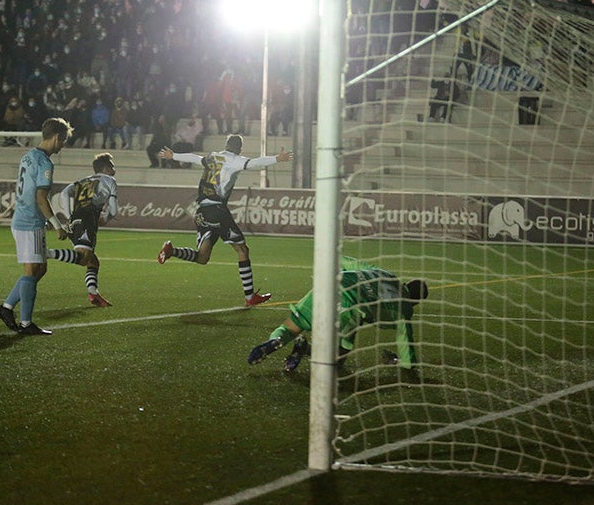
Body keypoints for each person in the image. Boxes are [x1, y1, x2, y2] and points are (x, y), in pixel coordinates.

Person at [156, 134, 293, 307]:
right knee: (242, 250)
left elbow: (194, 158)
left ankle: (171, 251)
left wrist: (173, 155)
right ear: (239, 148)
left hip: (202, 211)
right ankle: (250, 297)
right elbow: (254, 163)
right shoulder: (235, 160)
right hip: (217, 210)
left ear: (226, 144)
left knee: (202, 257)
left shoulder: (212, 156)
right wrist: (277, 159)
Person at [247, 256, 428, 376]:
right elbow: (405, 340)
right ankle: (307, 349)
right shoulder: (405, 309)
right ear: (415, 301)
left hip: (331, 284)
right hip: (351, 306)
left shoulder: (385, 274)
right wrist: (408, 365)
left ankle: (273, 341)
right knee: (337, 360)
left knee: (289, 328)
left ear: (406, 283)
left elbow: (347, 261)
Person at [0, 117, 73, 336]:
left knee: (40, 268)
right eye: (64, 139)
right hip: (30, 222)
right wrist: (57, 225)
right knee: (32, 270)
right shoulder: (45, 162)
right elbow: (41, 197)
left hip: (23, 219)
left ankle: (7, 307)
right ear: (57, 137)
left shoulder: (28, 155)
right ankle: (26, 324)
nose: (64, 144)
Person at [47, 152, 119, 307]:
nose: (114, 168)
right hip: (89, 218)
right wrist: (105, 219)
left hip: (76, 218)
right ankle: (47, 253)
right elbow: (113, 210)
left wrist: (69, 216)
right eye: (112, 165)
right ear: (106, 168)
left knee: (93, 262)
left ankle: (93, 294)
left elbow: (65, 193)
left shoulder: (83, 180)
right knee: (84, 259)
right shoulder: (110, 180)